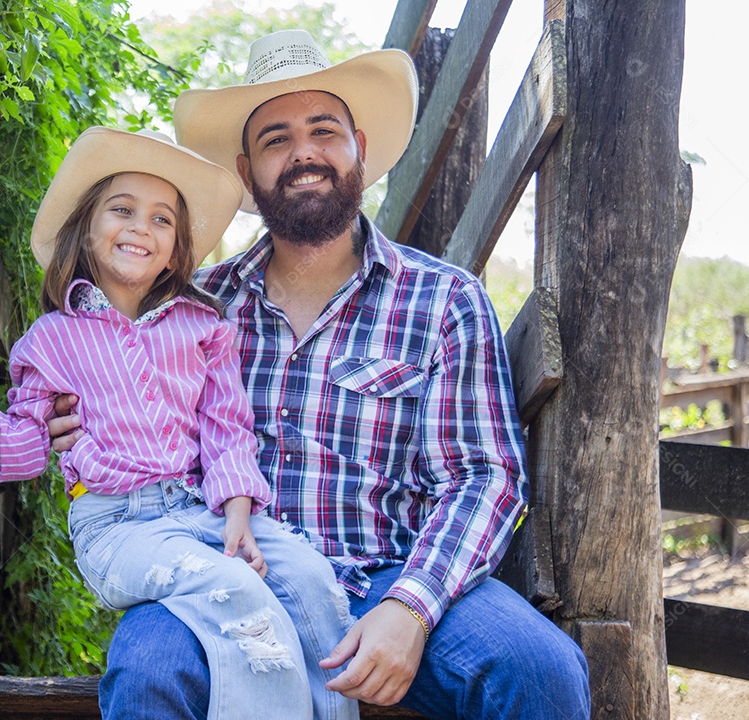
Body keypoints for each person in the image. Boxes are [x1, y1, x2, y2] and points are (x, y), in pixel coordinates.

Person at [48, 31, 591, 719]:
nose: (303, 152)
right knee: (149, 666)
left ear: (358, 146)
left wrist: (411, 606)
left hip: (389, 575)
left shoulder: (443, 301)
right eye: (277, 139)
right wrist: (76, 418)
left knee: (537, 670)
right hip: (227, 576)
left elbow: (483, 477)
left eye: (323, 130)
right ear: (248, 173)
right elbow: (110, 404)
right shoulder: (183, 309)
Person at [0, 126, 360, 720]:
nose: (142, 227)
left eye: (163, 220)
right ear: (87, 228)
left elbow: (226, 428)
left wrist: (238, 516)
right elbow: (25, 447)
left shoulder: (201, 327)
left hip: (205, 512)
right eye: (123, 209)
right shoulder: (51, 341)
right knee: (238, 593)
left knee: (314, 582)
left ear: (176, 248)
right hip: (119, 528)